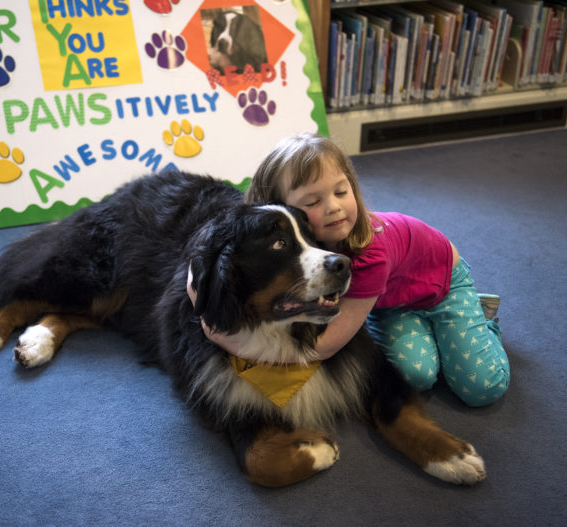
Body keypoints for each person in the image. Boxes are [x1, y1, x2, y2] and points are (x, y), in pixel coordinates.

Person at [189, 132, 509, 407]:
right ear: (282, 208)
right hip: (392, 302)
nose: (333, 207)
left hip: (443, 285)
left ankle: (480, 321)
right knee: (417, 376)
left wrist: (227, 339)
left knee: (481, 387)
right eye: (312, 202)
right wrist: (199, 295)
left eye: (341, 192)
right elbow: (200, 270)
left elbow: (325, 346)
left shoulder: (371, 255)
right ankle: (409, 323)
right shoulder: (299, 240)